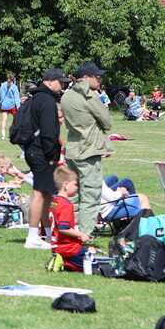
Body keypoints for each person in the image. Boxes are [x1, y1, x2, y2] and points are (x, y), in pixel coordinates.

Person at [14, 68, 69, 251]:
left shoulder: (36, 97)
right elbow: (48, 131)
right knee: (39, 193)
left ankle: (47, 234)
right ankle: (32, 237)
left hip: (34, 150)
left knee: (46, 193)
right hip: (41, 152)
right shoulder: (46, 100)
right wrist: (52, 156)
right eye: (60, 82)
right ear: (50, 81)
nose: (62, 86)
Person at [61, 62, 113, 234]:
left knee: (73, 195)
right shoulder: (89, 96)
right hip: (88, 150)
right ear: (85, 78)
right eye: (97, 77)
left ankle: (71, 229)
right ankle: (84, 234)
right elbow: (107, 122)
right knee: (90, 195)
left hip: (73, 149)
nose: (100, 80)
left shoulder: (67, 96)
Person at [49, 166, 99, 272]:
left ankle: (62, 262)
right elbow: (63, 228)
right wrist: (82, 235)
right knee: (96, 267)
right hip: (70, 248)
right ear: (65, 185)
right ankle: (63, 261)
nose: (76, 188)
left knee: (75, 267)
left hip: (56, 246)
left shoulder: (54, 202)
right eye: (75, 184)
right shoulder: (66, 204)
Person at [0, 72, 20, 139]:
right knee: (17, 119)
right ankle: (16, 133)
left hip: (4, 105)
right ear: (14, 79)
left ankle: (3, 135)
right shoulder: (14, 87)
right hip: (12, 105)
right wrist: (18, 107)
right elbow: (17, 98)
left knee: (4, 120)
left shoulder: (3, 85)